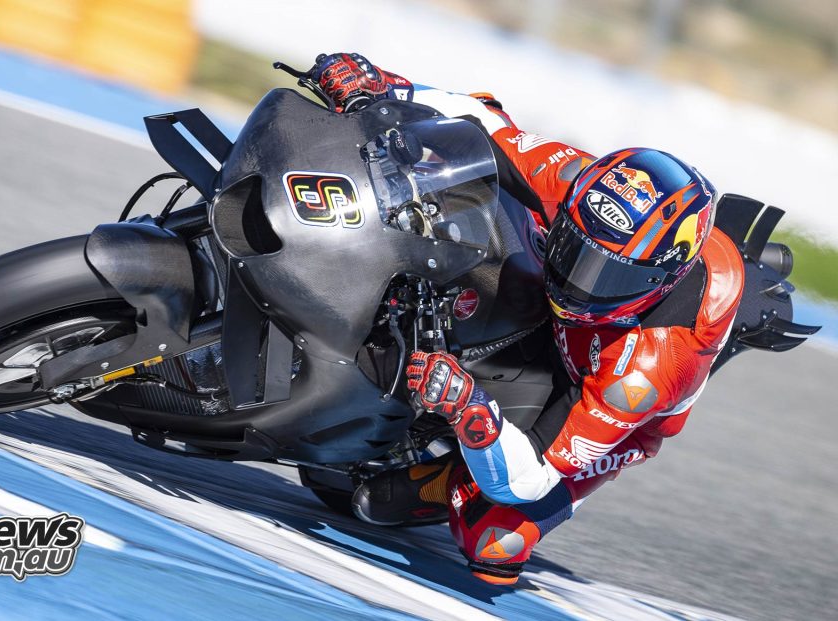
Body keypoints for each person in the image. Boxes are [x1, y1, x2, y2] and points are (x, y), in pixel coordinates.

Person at [311, 53, 743, 585]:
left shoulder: (649, 368)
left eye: (607, 277)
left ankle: (447, 475)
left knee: (494, 540)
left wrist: (471, 412)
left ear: (661, 282)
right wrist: (384, 86)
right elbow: (483, 123)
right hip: (554, 315)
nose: (579, 284)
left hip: (590, 383)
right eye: (576, 251)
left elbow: (528, 482)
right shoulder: (584, 185)